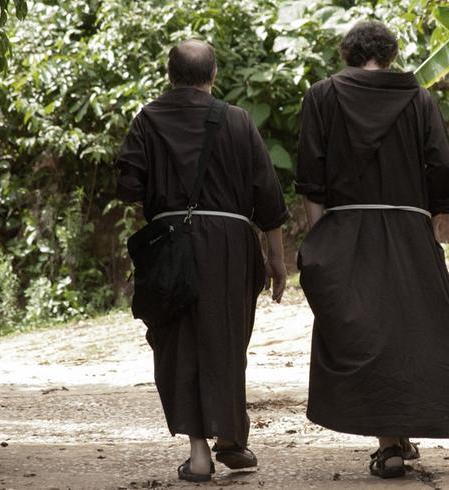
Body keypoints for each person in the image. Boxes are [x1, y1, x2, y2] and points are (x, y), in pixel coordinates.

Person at [295, 21, 449, 479]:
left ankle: (392, 442)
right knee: (412, 332)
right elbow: (440, 162)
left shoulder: (321, 96)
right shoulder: (419, 98)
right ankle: (395, 437)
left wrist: (320, 233)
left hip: (346, 227)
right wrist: (438, 214)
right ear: (391, 52)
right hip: (406, 227)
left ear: (347, 52)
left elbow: (310, 171)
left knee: (366, 334)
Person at [116, 39, 289, 483]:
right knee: (226, 340)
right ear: (213, 75)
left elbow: (129, 189)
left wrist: (163, 223)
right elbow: (267, 197)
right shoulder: (237, 121)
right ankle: (230, 437)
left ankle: (198, 455)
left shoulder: (148, 119)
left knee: (177, 345)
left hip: (170, 243)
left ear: (170, 75)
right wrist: (277, 260)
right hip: (231, 246)